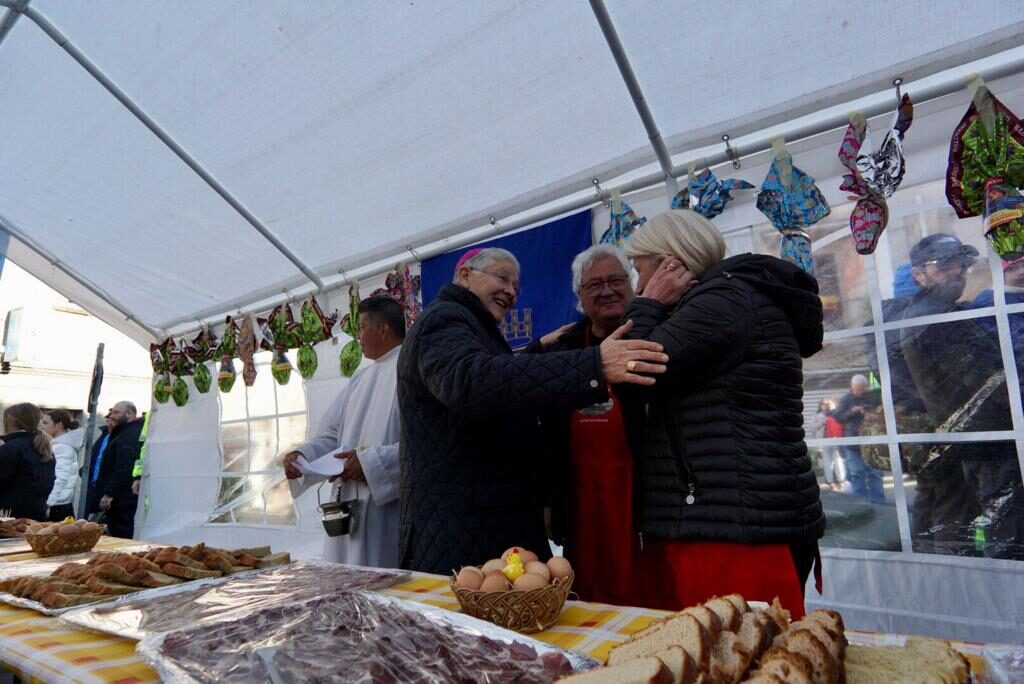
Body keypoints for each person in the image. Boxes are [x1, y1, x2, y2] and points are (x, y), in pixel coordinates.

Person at [397, 247, 669, 575]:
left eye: (516, 286)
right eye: (502, 277)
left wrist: (535, 352)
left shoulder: (473, 326)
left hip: (494, 523)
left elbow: (494, 379)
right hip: (465, 531)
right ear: (465, 276)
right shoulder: (444, 319)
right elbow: (471, 381)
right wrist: (594, 365)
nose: (511, 291)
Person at [619, 209, 825, 617]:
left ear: (669, 263)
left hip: (735, 524)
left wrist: (647, 305)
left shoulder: (723, 300)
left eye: (640, 271)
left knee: (742, 656)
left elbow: (632, 370)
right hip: (743, 514)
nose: (637, 286)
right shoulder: (732, 298)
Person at [530, 244, 667, 607]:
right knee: (587, 597)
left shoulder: (658, 334)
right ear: (579, 296)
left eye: (616, 280)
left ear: (632, 283)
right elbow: (543, 432)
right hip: (580, 501)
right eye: (594, 285)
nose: (606, 290)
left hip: (643, 497)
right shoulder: (563, 349)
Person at [900, 233, 1023, 559]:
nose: (957, 271)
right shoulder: (934, 320)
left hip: (983, 440)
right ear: (919, 274)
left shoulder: (943, 312)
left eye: (961, 262)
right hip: (990, 442)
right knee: (1008, 538)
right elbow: (990, 381)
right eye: (944, 265)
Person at [283, 296, 406, 568]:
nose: (358, 336)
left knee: (381, 587)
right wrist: (302, 457)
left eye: (361, 327)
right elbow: (331, 435)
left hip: (386, 509)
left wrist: (369, 463)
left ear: (383, 329)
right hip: (346, 504)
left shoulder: (411, 371)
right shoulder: (360, 379)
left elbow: (425, 446)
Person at [89, 402, 143, 538]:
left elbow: (124, 467)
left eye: (116, 412)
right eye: (112, 412)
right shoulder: (122, 433)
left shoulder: (128, 435)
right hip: (121, 499)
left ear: (129, 414)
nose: (111, 416)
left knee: (121, 536)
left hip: (122, 501)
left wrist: (109, 493)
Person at [832, 375, 885, 504]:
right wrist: (852, 411)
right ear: (852, 387)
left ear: (866, 387)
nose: (860, 392)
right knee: (857, 473)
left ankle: (878, 502)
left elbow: (883, 412)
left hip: (872, 440)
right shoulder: (845, 399)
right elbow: (837, 417)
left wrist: (870, 413)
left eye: (862, 389)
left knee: (875, 473)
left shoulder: (872, 397)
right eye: (857, 389)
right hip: (853, 441)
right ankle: (861, 503)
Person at [0, 403, 56, 520]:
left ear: (12, 422)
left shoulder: (11, 448)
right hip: (37, 517)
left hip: (10, 521)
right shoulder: (44, 448)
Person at [39, 409, 85, 521]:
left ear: (59, 424)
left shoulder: (63, 447)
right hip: (58, 504)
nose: (41, 426)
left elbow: (59, 478)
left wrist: (48, 504)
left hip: (57, 506)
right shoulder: (58, 445)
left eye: (46, 423)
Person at [808, 399, 843, 491]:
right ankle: (830, 482)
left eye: (827, 404)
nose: (825, 405)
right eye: (823, 404)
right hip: (823, 442)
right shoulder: (817, 416)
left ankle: (841, 481)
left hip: (835, 440)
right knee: (827, 463)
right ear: (820, 405)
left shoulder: (836, 414)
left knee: (838, 462)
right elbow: (811, 427)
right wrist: (821, 422)